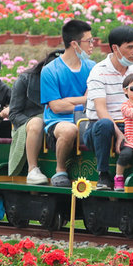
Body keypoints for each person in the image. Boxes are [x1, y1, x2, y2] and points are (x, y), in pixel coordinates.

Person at [81, 25, 133, 190]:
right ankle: (103, 174)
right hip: (100, 127)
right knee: (105, 125)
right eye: (130, 47)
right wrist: (120, 134)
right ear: (115, 48)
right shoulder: (99, 71)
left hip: (131, 124)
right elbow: (101, 111)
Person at [38, 19, 94, 187]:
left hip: (88, 117)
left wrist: (71, 100)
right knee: (70, 130)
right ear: (75, 44)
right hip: (58, 122)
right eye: (89, 41)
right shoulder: (50, 70)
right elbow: (56, 107)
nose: (93, 45)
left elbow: (93, 98)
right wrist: (84, 102)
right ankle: (60, 170)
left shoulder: (93, 67)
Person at [9, 49, 58, 184]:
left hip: (59, 120)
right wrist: (32, 124)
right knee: (37, 123)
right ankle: (32, 169)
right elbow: (13, 114)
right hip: (29, 123)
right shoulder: (25, 79)